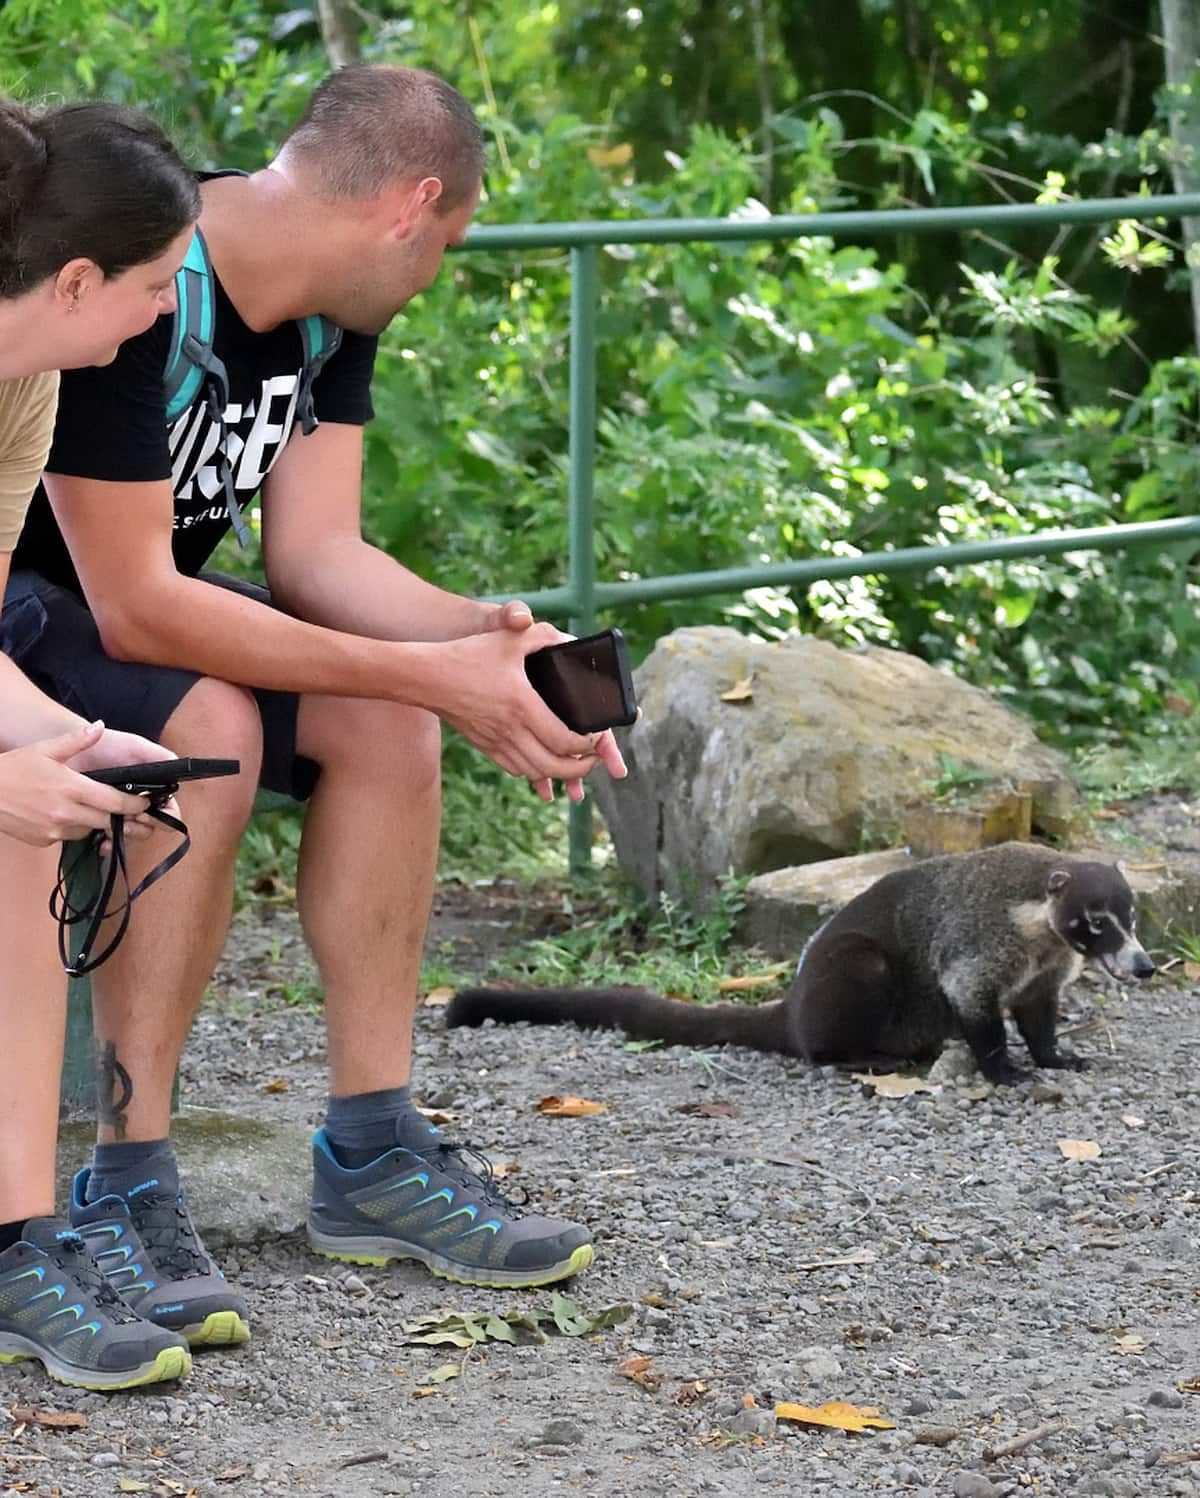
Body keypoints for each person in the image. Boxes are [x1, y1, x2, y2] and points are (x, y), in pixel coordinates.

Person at [4, 64, 626, 1351]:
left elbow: (321, 558)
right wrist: (431, 672)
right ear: (412, 207)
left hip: (148, 619)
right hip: (63, 615)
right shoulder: (132, 280)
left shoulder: (332, 317)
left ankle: (375, 1148)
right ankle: (126, 1178)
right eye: (447, 244)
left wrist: (487, 642)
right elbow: (136, 605)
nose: (436, 272)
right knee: (216, 720)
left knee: (382, 725)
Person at [0, 98, 202, 1390]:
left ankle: (14, 1239)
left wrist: (75, 736)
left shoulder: (26, 388)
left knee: (41, 804)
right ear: (77, 279)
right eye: (151, 290)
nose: (159, 321)